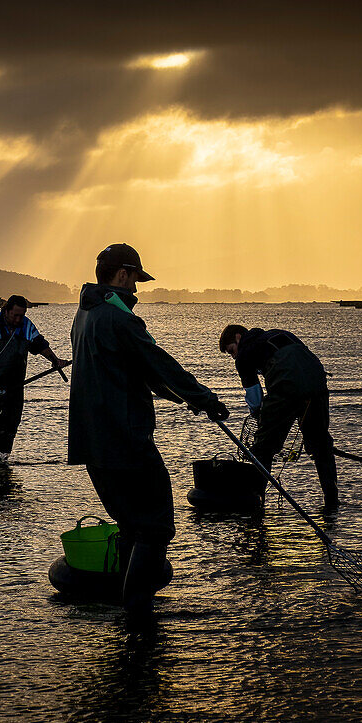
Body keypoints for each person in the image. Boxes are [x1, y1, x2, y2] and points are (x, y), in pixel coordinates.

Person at [69, 244, 229, 621]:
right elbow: (159, 366)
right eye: (136, 280)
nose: (137, 291)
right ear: (122, 275)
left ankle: (129, 626)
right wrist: (203, 397)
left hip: (92, 445)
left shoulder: (83, 315)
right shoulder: (119, 318)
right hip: (125, 442)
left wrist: (186, 398)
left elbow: (141, 373)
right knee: (156, 527)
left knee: (131, 526)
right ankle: (138, 615)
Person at [219, 324, 339, 510]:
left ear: (238, 337)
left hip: (286, 386)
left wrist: (259, 415)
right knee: (321, 445)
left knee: (263, 448)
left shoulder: (244, 354)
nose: (234, 356)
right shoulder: (281, 334)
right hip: (318, 383)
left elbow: (254, 395)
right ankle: (332, 500)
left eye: (231, 351)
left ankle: (255, 500)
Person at [0, 294, 69, 466]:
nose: (18, 319)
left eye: (21, 315)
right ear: (6, 310)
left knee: (10, 427)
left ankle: (4, 462)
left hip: (15, 386)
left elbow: (40, 345)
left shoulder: (26, 326)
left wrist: (55, 360)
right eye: (15, 315)